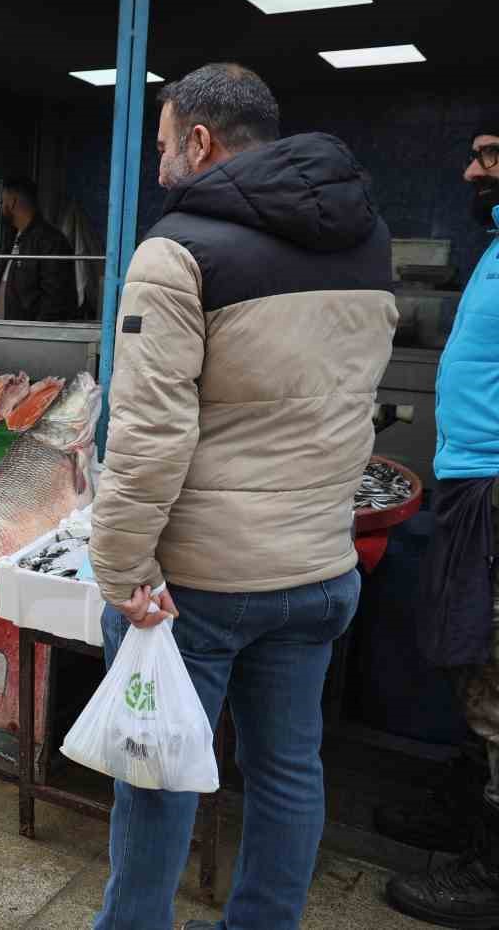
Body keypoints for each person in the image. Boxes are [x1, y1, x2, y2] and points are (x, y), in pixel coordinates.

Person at [87, 64, 396, 930]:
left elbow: (148, 436)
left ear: (200, 142)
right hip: (320, 568)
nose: (156, 174)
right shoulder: (368, 241)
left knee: (156, 777)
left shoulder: (177, 251)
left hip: (200, 588)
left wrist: (121, 568)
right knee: (291, 770)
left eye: (160, 148)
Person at [383, 116, 499, 927]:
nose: (468, 172)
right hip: (471, 485)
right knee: (472, 655)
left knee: (496, 666)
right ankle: (469, 816)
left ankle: (490, 873)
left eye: (488, 156)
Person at [0, 176, 79, 321]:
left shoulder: (51, 242)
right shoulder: (12, 238)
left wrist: (32, 335)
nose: (2, 207)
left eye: (3, 202)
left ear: (12, 202)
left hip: (24, 337)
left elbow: (55, 301)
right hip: (2, 334)